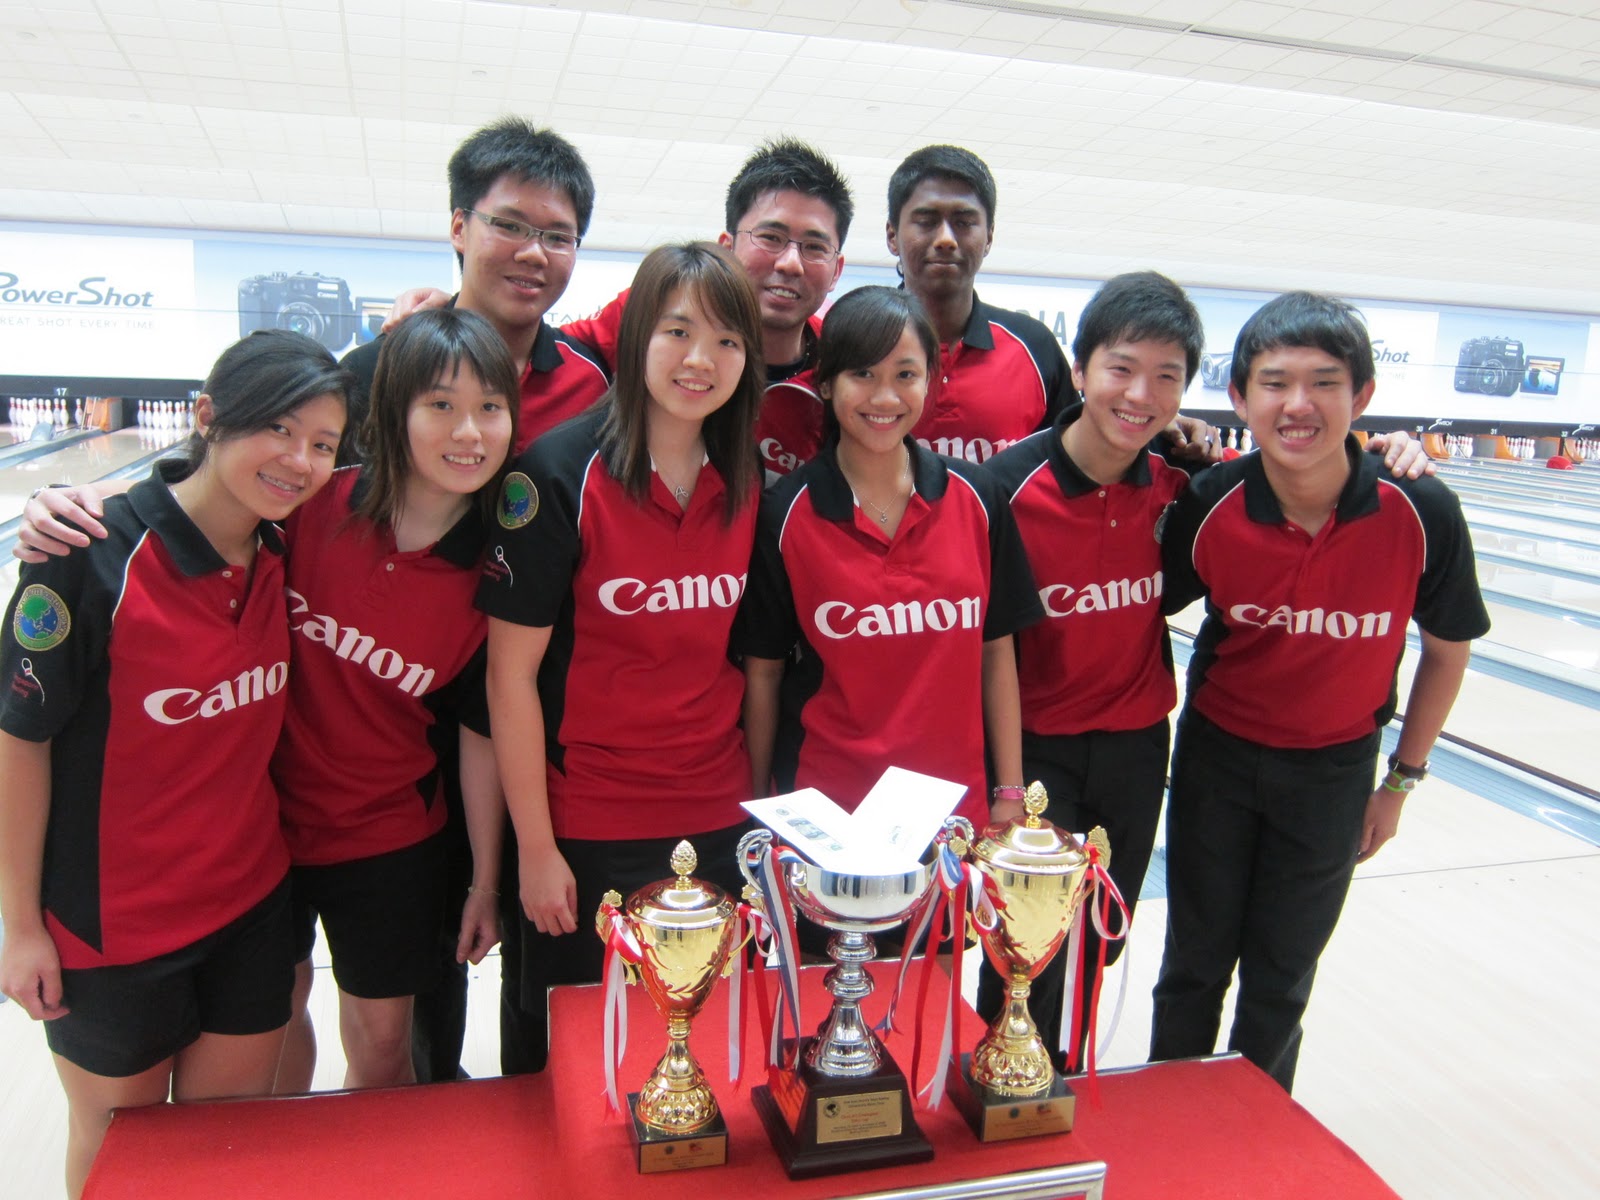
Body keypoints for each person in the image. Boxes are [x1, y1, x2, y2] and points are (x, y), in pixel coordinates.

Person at [0, 330, 348, 1199]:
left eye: (323, 444)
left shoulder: (282, 552)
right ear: (204, 416)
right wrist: (20, 925)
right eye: (277, 428)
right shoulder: (87, 557)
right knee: (121, 1150)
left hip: (249, 906)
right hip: (111, 928)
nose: (300, 460)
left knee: (221, 1147)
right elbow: (20, 742)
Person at [1147, 291, 1490, 1092]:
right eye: (1275, 383)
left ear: (1361, 396)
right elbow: (1135, 607)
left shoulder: (1421, 509)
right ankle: (1170, 1123)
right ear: (1240, 398)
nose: (1298, 404)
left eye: (1324, 383)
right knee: (1194, 965)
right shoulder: (1210, 503)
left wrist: (1399, 784)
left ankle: (1254, 1135)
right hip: (1218, 762)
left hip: (1334, 774)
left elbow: (1447, 654)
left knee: (1281, 978)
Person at [478, 241, 764, 1071]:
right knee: (572, 1063)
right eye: (677, 332)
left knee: (701, 1060)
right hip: (590, 822)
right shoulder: (557, 474)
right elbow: (509, 678)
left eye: (726, 341)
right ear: (636, 335)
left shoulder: (745, 479)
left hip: (717, 817)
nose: (699, 360)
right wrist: (537, 850)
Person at [271, 309, 515, 1093]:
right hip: (260, 825)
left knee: (383, 1045)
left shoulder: (494, 573)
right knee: (274, 1021)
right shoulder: (312, 504)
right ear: (394, 412)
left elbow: (482, 733)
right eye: (441, 405)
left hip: (387, 836)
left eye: (489, 408)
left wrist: (484, 881)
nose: (468, 432)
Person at [736, 285, 1041, 833]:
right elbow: (765, 671)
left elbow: (997, 652)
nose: (885, 397)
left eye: (905, 374)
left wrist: (1010, 792)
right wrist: (762, 805)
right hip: (827, 814)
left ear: (931, 380)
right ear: (825, 383)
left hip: (957, 811)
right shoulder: (784, 514)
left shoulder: (979, 498)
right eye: (863, 374)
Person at [392, 137, 853, 481]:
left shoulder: (845, 365)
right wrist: (449, 320)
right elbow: (533, 337)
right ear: (726, 246)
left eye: (815, 247)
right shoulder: (647, 313)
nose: (790, 263)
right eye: (770, 237)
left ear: (836, 270)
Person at [342, 118, 608, 463]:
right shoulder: (376, 370)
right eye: (509, 226)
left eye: (558, 237)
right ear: (459, 228)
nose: (533, 254)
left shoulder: (592, 384)